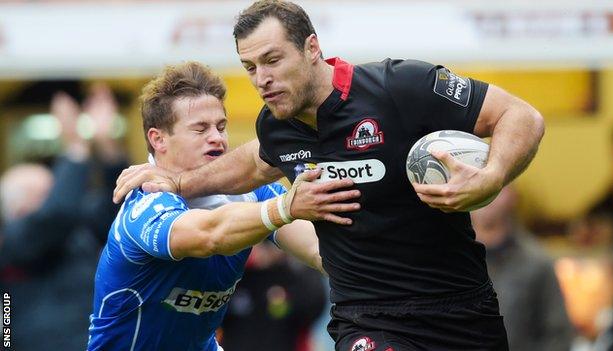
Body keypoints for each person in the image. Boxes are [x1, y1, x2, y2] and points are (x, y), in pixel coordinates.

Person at [113, 1, 545, 349]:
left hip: (463, 310)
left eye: (272, 60)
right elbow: (254, 162)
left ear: (311, 48)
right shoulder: (276, 126)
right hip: (367, 320)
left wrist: (492, 176)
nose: (261, 79)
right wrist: (178, 182)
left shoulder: (401, 87)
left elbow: (519, 115)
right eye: (250, 68)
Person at [87, 61, 359, 351]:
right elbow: (209, 235)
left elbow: (320, 250)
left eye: (221, 126)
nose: (216, 137)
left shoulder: (250, 193)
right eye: (200, 129)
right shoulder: (145, 202)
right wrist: (285, 207)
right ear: (159, 139)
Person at [0, 86, 128, 350]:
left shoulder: (74, 229)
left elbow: (118, 210)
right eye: (50, 191)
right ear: (21, 206)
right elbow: (59, 212)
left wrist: (105, 143)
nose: (64, 192)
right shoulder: (14, 240)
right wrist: (76, 146)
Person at [471, 186, 573, 351]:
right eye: (477, 187)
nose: (485, 197)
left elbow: (558, 336)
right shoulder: (448, 261)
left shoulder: (537, 262)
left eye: (494, 188)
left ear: (512, 196)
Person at [221, 240, 327, 351]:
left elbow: (314, 305)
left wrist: (291, 255)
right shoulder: (236, 277)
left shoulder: (295, 277)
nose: (264, 249)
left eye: (270, 242)